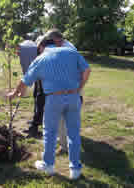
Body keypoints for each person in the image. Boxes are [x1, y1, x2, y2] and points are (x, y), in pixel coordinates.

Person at [6, 45, 91, 179]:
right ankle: (75, 169)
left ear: (41, 47)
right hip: (74, 96)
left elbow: (26, 79)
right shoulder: (72, 52)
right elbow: (87, 70)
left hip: (54, 98)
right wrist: (79, 87)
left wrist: (14, 93)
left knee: (50, 132)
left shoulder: (42, 58)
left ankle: (48, 165)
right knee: (73, 132)